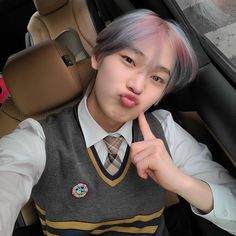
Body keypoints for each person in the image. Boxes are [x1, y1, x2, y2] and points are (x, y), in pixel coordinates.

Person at [0, 9, 236, 236]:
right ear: (98, 56)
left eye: (157, 78)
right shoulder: (39, 139)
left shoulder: (164, 131)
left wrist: (179, 181)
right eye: (129, 60)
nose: (138, 85)